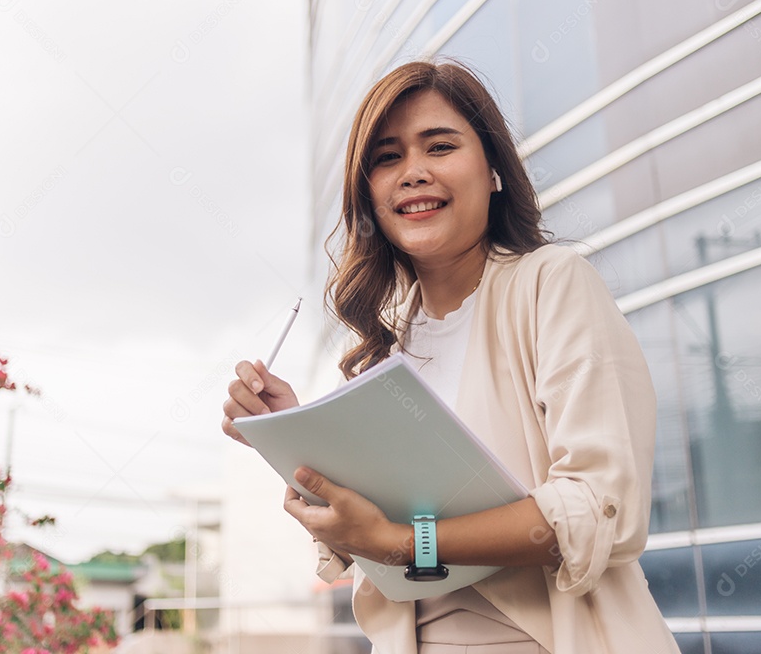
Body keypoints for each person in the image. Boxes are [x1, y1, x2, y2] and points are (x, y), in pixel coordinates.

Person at [222, 60, 681, 653]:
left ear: (492, 171)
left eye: (439, 146)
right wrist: (295, 444)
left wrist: (408, 543)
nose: (413, 173)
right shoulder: (384, 347)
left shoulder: (551, 283)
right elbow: (374, 532)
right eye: (387, 158)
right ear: (369, 194)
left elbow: (600, 508)